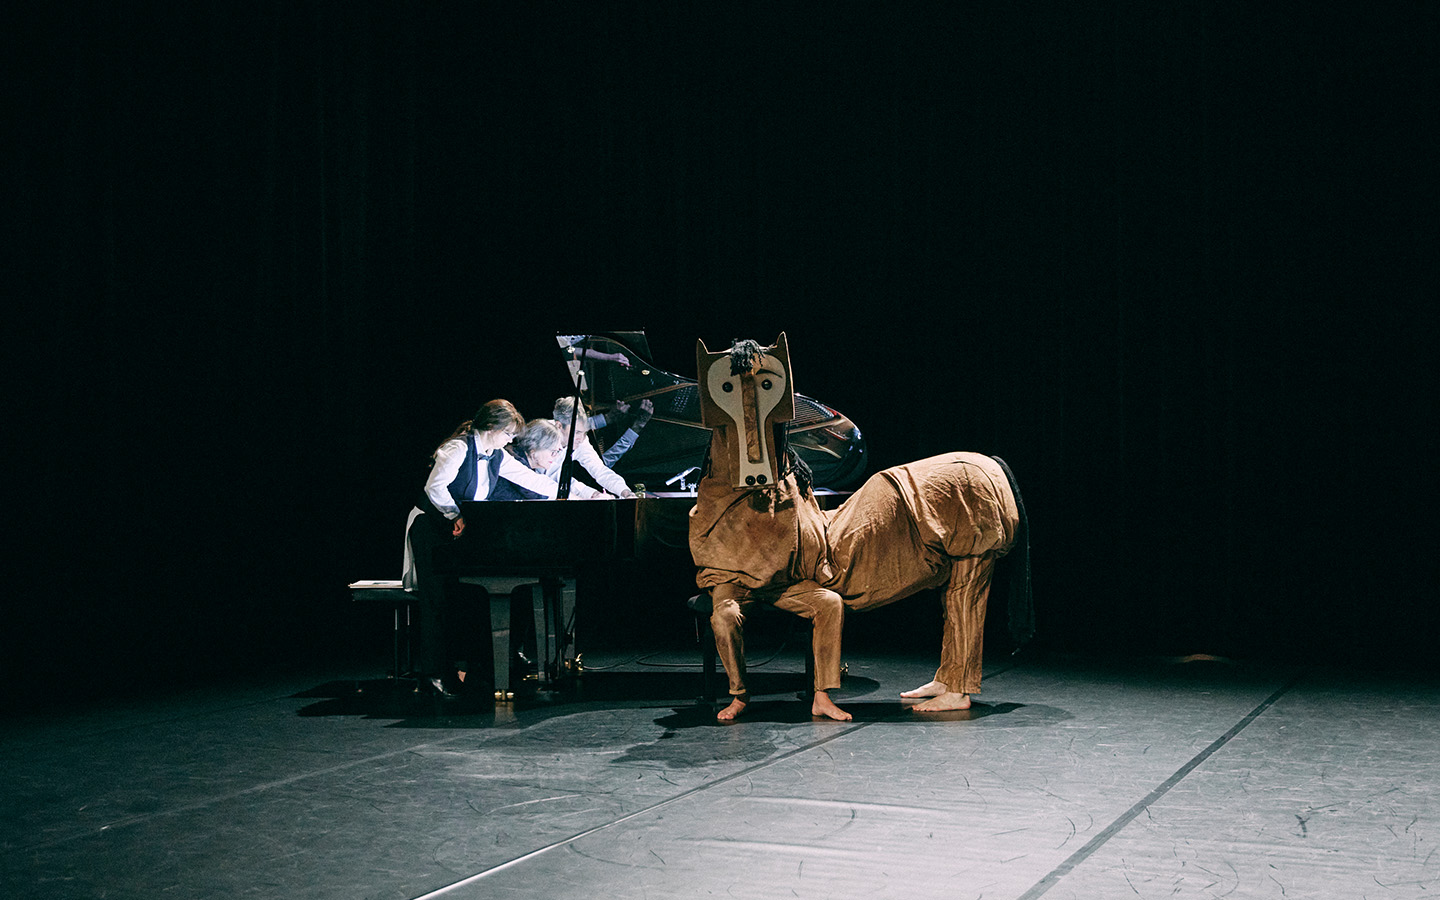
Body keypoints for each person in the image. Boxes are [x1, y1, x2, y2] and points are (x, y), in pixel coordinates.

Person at [689, 336, 1031, 721]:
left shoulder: (782, 471)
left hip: (968, 501)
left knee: (964, 593)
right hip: (858, 522)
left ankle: (959, 689)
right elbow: (746, 431)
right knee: (954, 590)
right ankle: (948, 678)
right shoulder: (748, 473)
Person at [402, 399, 560, 698]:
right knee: (436, 601)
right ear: (491, 428)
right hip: (432, 529)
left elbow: (532, 481)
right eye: (508, 433)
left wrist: (576, 496)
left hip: (455, 531)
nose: (511, 440)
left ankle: (460, 669)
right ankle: (432, 674)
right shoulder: (458, 448)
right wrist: (455, 515)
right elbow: (434, 487)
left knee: (458, 600)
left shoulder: (496, 454)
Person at [499, 418, 618, 500]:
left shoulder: (523, 459)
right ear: (534, 450)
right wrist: (583, 499)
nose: (556, 456)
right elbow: (540, 492)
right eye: (553, 452)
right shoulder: (516, 460)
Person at [551, 396, 639, 498]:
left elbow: (600, 470)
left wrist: (625, 491)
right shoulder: (541, 434)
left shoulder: (580, 441)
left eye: (584, 432)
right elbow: (555, 477)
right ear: (559, 426)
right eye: (577, 432)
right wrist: (593, 494)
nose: (581, 438)